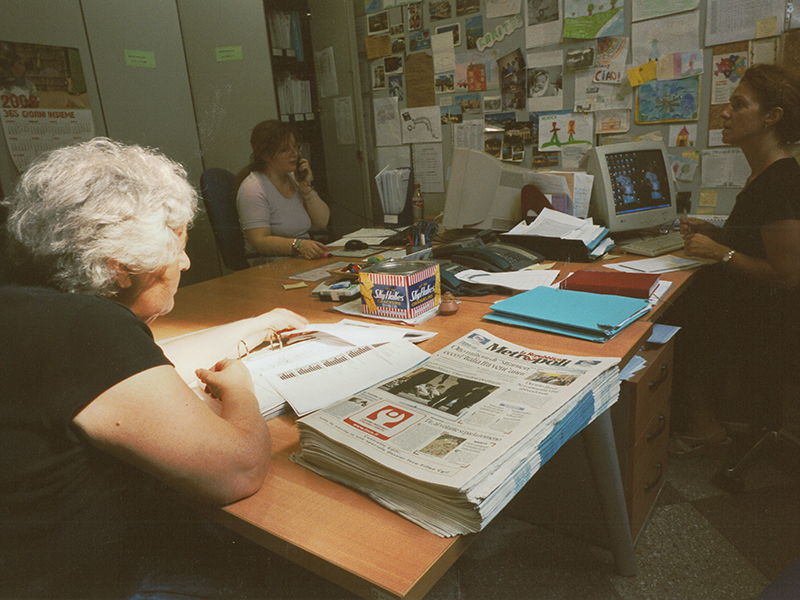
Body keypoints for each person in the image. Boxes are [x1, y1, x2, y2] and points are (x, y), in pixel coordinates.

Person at [0, 138, 310, 598]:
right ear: (121, 267)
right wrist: (240, 387)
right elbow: (239, 471)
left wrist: (259, 323)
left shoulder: (33, 307)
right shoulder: (89, 330)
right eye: (178, 247)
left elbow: (140, 367)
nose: (186, 261)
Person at [667, 63, 800, 457]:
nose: (725, 113)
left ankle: (703, 425)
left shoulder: (780, 181)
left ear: (772, 117)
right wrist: (716, 232)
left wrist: (720, 252)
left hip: (769, 319)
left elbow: (788, 275)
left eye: (739, 105)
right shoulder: (764, 175)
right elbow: (758, 242)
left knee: (673, 316)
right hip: (755, 304)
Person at [236, 120, 330, 260]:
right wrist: (298, 245)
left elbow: (322, 222)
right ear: (266, 155)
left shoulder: (293, 178)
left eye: (295, 147)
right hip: (269, 262)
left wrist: (306, 188)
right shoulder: (253, 188)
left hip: (299, 257)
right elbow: (259, 241)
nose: (295, 154)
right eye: (286, 150)